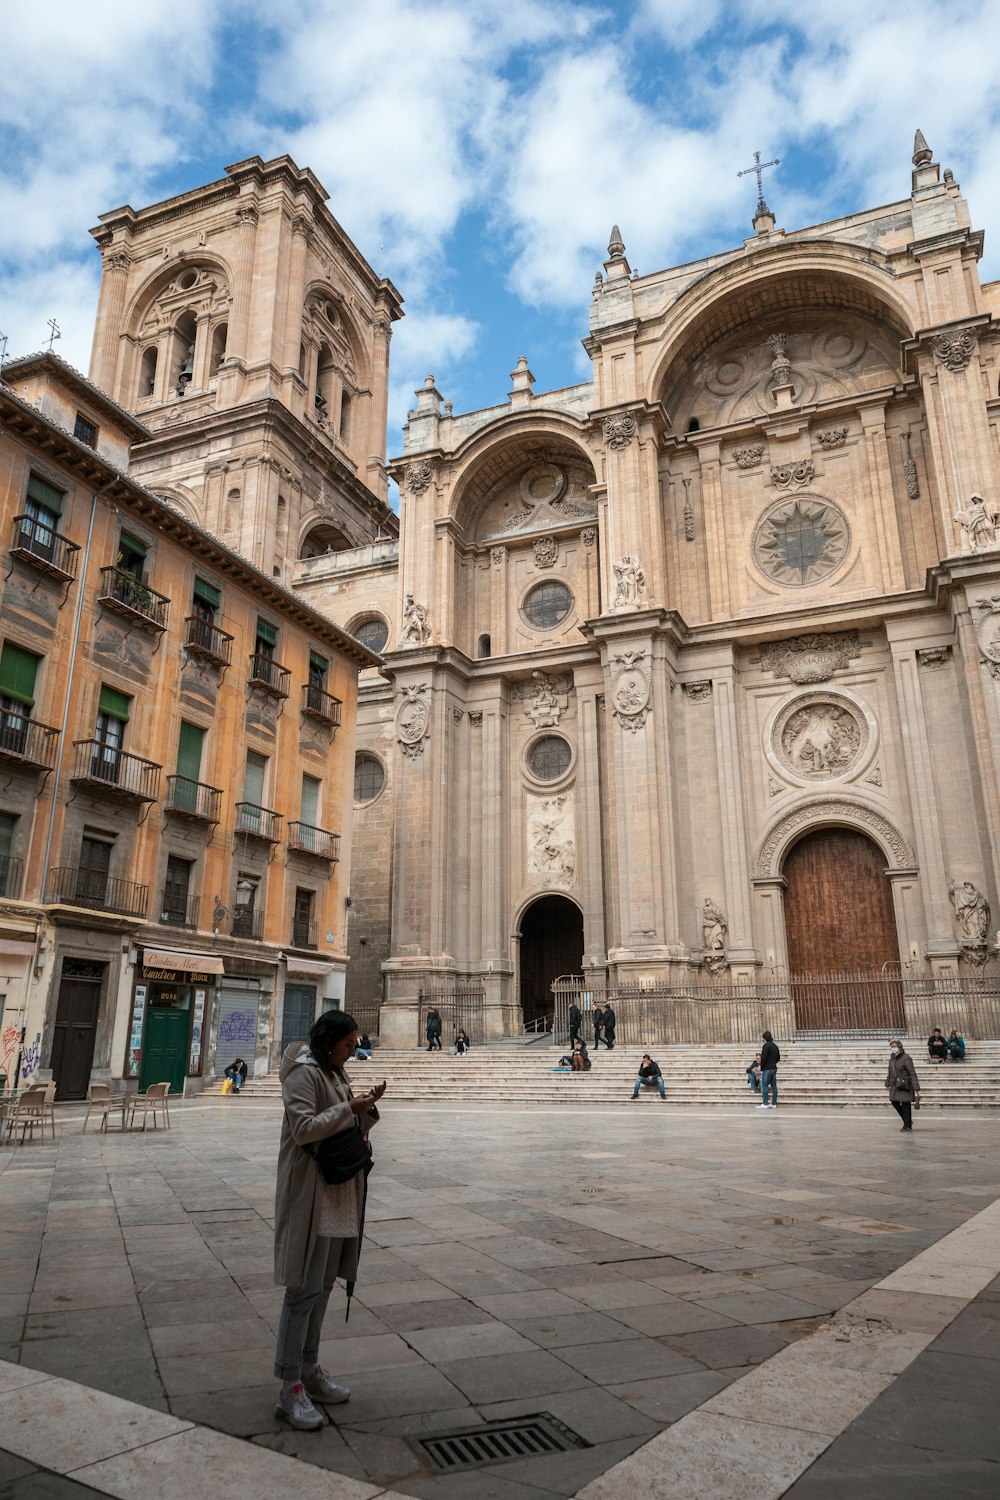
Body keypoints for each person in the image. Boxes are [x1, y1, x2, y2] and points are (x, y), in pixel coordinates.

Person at [273, 1010, 385, 1430]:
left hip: (338, 1192)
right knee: (301, 1292)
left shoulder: (336, 1073)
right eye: (348, 1043)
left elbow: (345, 1119)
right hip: (312, 1195)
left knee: (321, 1289)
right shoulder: (304, 1075)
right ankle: (289, 1388)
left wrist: (365, 1109)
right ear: (329, 1042)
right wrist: (350, 1108)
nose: (355, 1049)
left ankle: (310, 1370)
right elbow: (304, 1129)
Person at [885, 1039, 920, 1131]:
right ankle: (907, 1120)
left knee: (905, 1103)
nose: (893, 1049)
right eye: (891, 1047)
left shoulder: (906, 1058)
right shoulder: (892, 1059)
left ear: (900, 1047)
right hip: (895, 1085)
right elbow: (890, 1072)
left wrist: (916, 1086)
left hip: (905, 1084)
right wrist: (887, 1083)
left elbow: (912, 1073)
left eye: (894, 1047)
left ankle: (907, 1125)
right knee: (894, 1101)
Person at [757, 1031, 779, 1109]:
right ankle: (774, 1103)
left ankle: (765, 1103)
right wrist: (773, 1063)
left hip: (767, 1068)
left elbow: (764, 1058)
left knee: (764, 1085)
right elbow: (778, 1058)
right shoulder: (775, 1046)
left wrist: (762, 1067)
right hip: (774, 1068)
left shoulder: (766, 1046)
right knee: (774, 1086)